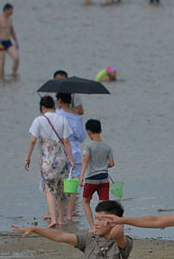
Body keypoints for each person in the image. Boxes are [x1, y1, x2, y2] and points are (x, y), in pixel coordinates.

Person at [25, 96, 75, 228]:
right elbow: (67, 141)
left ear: (42, 107)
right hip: (62, 160)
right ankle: (62, 220)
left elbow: (32, 141)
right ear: (53, 106)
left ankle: (53, 219)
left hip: (47, 161)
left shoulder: (38, 120)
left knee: (49, 190)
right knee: (62, 190)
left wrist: (28, 158)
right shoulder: (62, 119)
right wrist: (72, 160)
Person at [57, 93, 86, 227]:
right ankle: (69, 214)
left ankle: (58, 213)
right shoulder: (77, 116)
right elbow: (81, 137)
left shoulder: (56, 114)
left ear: (60, 100)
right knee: (73, 185)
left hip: (59, 152)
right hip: (74, 152)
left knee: (58, 183)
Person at [79, 119, 115, 228]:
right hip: (104, 178)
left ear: (88, 132)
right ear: (101, 131)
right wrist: (103, 165)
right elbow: (112, 163)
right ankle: (104, 226)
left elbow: (85, 160)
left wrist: (81, 177)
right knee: (103, 204)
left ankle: (93, 227)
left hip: (91, 178)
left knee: (85, 202)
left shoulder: (88, 146)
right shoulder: (107, 146)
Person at [0, 4, 20, 77]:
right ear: (6, 10)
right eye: (11, 10)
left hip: (8, 41)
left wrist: (16, 42)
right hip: (0, 42)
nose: (12, 12)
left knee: (16, 58)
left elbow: (12, 31)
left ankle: (14, 74)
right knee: (2, 62)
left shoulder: (10, 19)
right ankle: (1, 78)